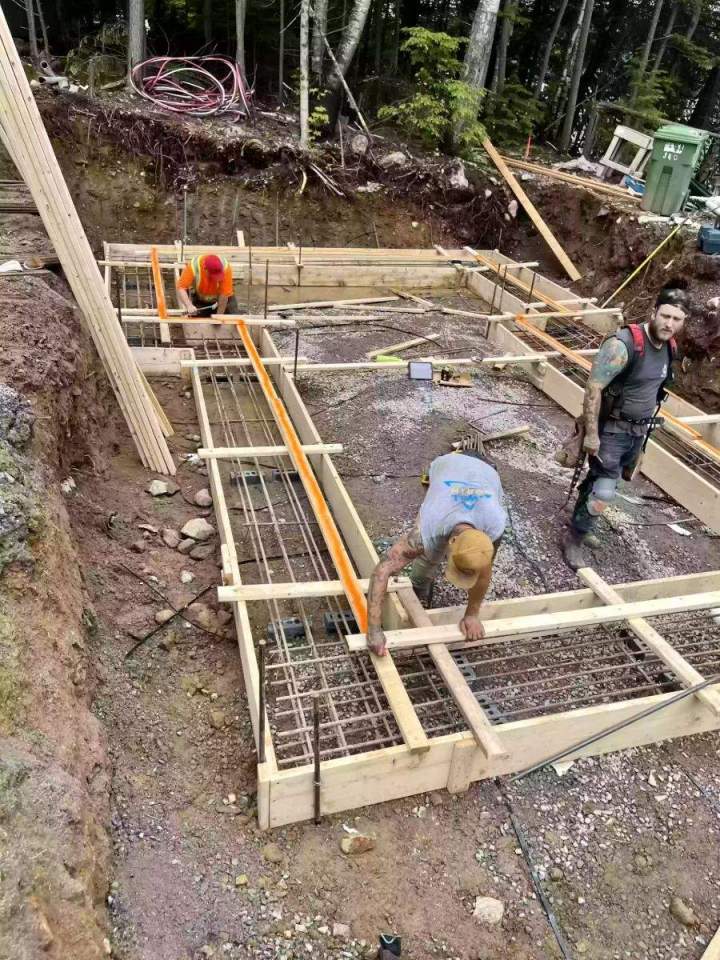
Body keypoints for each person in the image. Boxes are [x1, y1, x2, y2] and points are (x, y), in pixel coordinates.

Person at [562, 279, 690, 570]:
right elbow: (594, 388)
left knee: (600, 480)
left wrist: (642, 437)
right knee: (605, 491)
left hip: (638, 431)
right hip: (613, 429)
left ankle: (581, 521)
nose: (669, 323)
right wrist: (591, 435)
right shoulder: (624, 345)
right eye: (665, 316)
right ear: (653, 312)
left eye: (677, 319)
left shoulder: (669, 346)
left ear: (684, 321)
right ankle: (574, 539)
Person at [366, 450, 507, 656]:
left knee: (438, 556)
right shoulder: (427, 529)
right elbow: (382, 570)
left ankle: (420, 586)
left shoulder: (495, 526)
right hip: (449, 462)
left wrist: (472, 614)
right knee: (428, 558)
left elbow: (485, 573)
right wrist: (374, 629)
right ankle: (418, 585)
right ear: (451, 542)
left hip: (487, 471)